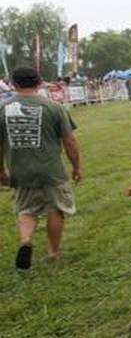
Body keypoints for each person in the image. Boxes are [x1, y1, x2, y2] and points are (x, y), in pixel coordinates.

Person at [0, 67, 82, 270]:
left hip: (20, 170)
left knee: (26, 210)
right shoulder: (54, 107)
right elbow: (69, 140)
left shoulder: (2, 109)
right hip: (51, 170)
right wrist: (77, 167)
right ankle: (53, 252)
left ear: (13, 83)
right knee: (56, 208)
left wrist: (1, 171)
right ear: (39, 82)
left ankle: (26, 240)